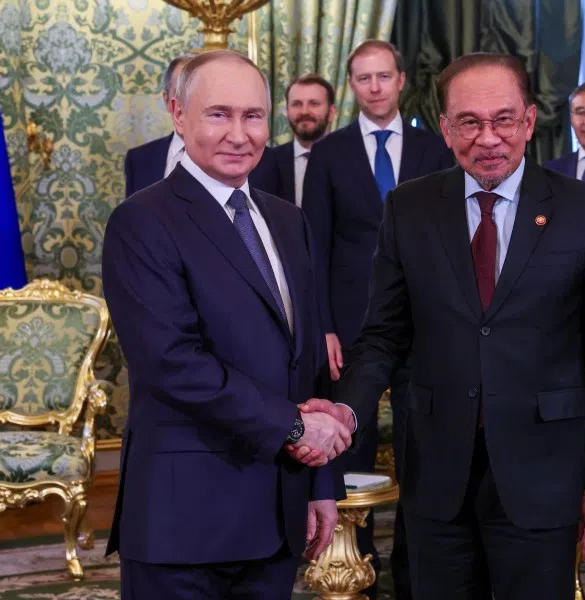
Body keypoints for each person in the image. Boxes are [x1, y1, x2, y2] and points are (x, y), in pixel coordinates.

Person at [297, 52, 585, 599]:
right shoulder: (409, 208)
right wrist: (345, 409)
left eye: (503, 119)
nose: (488, 138)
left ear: (528, 122)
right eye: (470, 122)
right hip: (436, 470)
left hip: (543, 470)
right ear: (446, 128)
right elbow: (382, 335)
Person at [102, 50, 351, 599]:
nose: (240, 134)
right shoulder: (141, 222)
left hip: (278, 512)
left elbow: (307, 360)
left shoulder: (289, 220)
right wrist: (293, 427)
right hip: (185, 521)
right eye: (219, 114)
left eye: (254, 116)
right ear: (177, 113)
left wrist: (321, 484)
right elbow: (171, 363)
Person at [302, 39, 454, 599]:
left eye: (383, 76)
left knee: (423, 450)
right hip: (350, 326)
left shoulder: (435, 149)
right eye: (362, 78)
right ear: (353, 87)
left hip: (426, 323)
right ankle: (352, 565)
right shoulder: (330, 153)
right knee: (351, 446)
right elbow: (311, 246)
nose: (374, 87)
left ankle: (415, 573)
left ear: (399, 79)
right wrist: (322, 326)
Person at [249, 74, 337, 206]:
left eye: (314, 104)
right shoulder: (264, 162)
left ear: (331, 112)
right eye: (296, 104)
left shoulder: (351, 159)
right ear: (287, 111)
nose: (304, 111)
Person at [123, 54, 193, 197]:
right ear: (168, 101)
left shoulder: (237, 158)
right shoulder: (139, 159)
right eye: (182, 92)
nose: (191, 101)